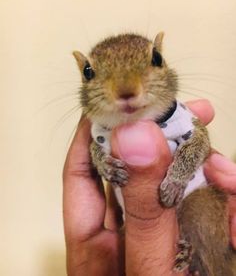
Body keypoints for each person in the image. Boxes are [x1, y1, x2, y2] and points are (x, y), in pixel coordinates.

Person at [63, 99, 236, 276]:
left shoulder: (177, 116)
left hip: (191, 200)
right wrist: (103, 163)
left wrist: (178, 176)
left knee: (203, 213)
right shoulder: (102, 128)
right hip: (130, 223)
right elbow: (97, 148)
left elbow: (198, 139)